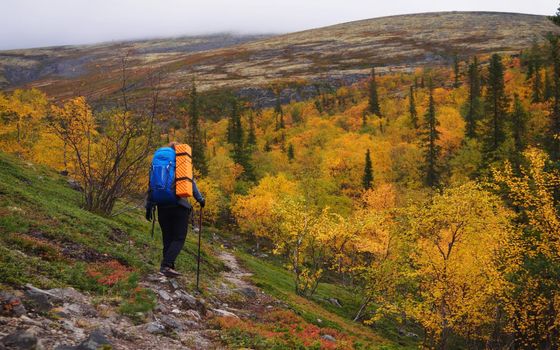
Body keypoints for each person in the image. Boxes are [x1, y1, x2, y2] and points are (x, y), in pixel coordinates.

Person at [145, 142, 205, 278]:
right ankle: (166, 266)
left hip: (161, 206)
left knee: (168, 238)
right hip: (179, 205)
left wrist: (149, 206)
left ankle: (168, 267)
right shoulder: (181, 161)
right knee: (178, 238)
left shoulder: (157, 163)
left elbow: (151, 184)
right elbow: (191, 183)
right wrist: (200, 199)